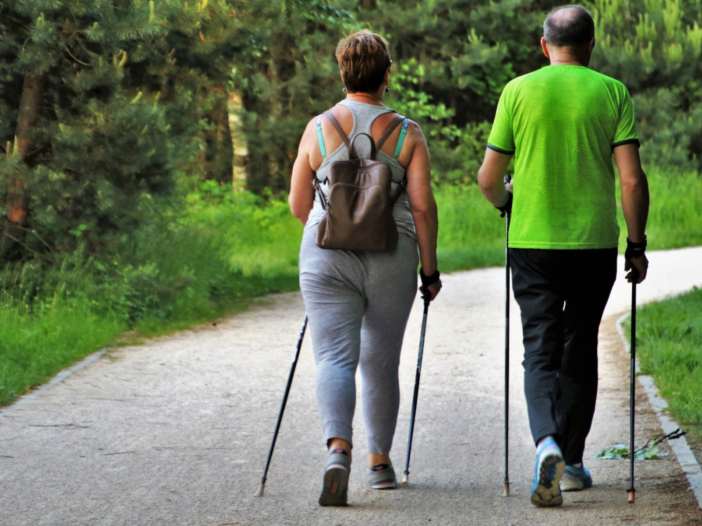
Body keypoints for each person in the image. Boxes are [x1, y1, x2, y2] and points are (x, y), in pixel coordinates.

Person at [477, 5, 650, 508]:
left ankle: (545, 443)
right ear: (590, 44)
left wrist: (507, 204)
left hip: (531, 242)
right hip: (593, 243)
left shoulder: (517, 91)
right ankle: (571, 465)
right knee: (580, 347)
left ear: (543, 44)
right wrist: (635, 245)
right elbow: (632, 180)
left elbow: (488, 178)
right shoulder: (612, 92)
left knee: (539, 347)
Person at [289, 30, 442, 507]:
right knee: (379, 362)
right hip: (391, 254)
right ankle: (379, 464)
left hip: (325, 254)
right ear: (387, 75)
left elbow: (297, 204)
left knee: (334, 357)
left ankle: (338, 451)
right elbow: (422, 208)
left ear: (342, 73)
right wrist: (430, 271)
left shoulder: (317, 128)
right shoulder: (408, 132)